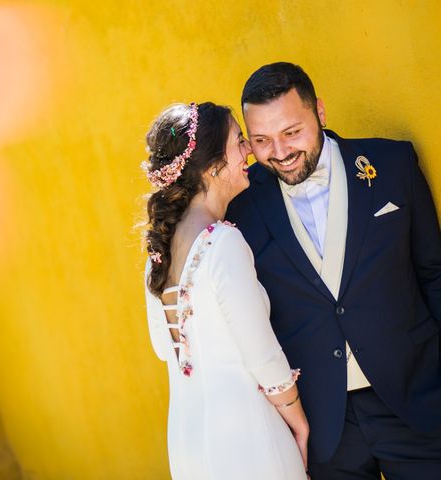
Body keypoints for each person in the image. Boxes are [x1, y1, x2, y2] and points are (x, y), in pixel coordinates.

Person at [227, 62, 441, 479]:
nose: (281, 152)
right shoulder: (240, 204)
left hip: (415, 401)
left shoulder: (393, 163)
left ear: (320, 113)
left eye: (292, 132)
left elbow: (433, 273)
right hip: (323, 428)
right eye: (262, 140)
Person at [142, 101, 308, 479]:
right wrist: (297, 419)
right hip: (248, 438)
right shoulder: (224, 242)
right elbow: (262, 355)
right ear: (214, 165)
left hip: (189, 441)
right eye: (239, 141)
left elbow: (161, 346)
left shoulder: (158, 253)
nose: (249, 148)